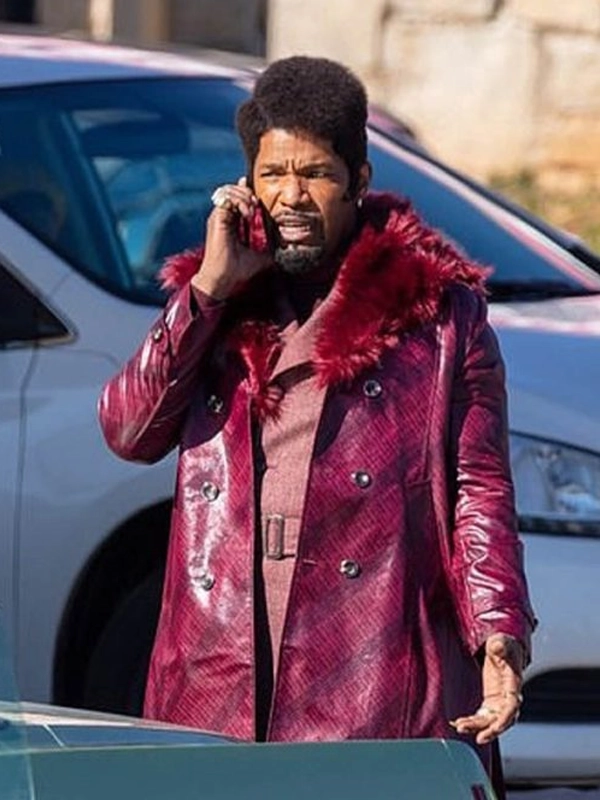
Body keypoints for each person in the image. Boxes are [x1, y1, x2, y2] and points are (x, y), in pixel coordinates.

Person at [98, 56, 536, 795]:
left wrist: (498, 630)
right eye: (273, 174)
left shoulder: (438, 318)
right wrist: (208, 289)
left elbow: (478, 490)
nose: (291, 196)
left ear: (359, 180)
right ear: (246, 184)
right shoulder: (219, 300)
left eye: (316, 174)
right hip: (219, 660)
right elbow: (128, 431)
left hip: (368, 662)